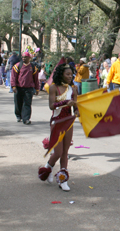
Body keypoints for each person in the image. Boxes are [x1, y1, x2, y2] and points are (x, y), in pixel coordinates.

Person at [37, 63, 79, 192]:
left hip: (68, 122)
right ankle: (48, 168)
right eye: (67, 74)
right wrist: (65, 102)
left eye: (71, 74)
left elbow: (76, 108)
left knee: (65, 152)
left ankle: (62, 179)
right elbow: (51, 105)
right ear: (61, 74)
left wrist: (77, 111)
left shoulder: (74, 88)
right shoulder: (53, 87)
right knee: (58, 152)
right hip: (56, 122)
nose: (70, 76)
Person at [11, 51, 40, 125]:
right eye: (22, 57)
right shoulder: (17, 66)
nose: (23, 58)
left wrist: (37, 88)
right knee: (18, 102)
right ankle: (18, 115)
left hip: (29, 88)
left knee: (27, 103)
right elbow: (13, 77)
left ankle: (26, 118)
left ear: (29, 58)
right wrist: (13, 86)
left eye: (25, 57)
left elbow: (36, 79)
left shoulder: (33, 67)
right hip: (18, 88)